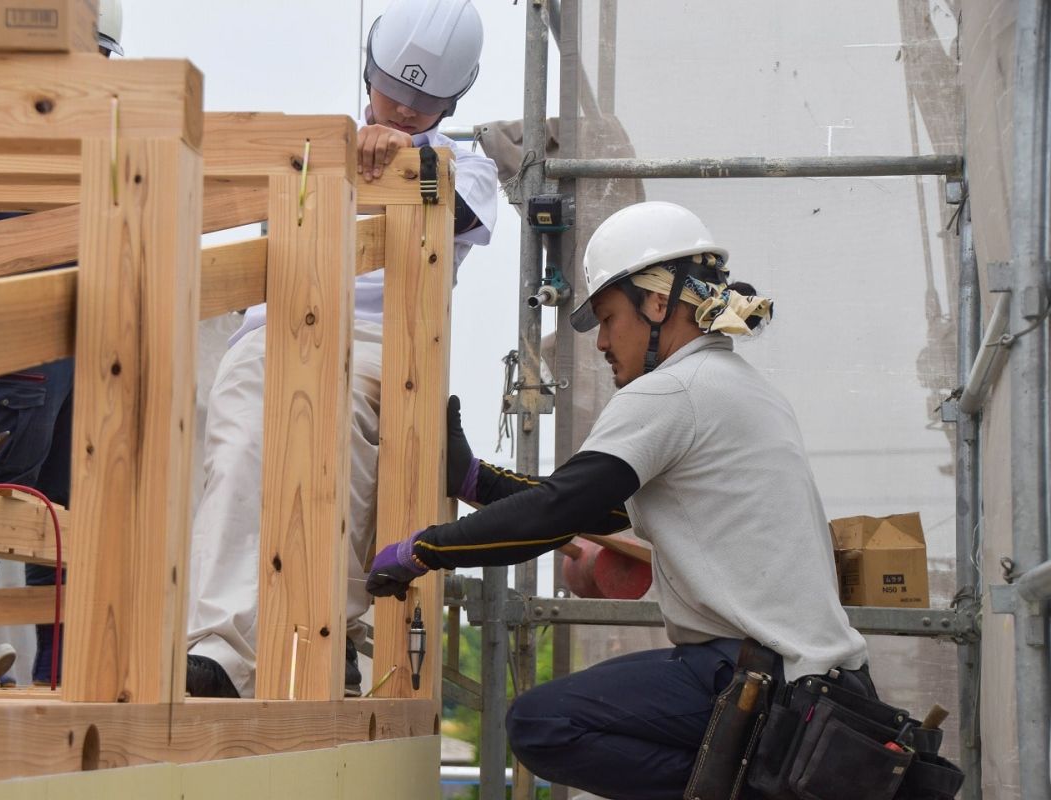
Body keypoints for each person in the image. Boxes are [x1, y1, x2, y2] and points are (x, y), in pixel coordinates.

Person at [365, 201, 872, 800]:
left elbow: (561, 512)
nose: (602, 342)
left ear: (659, 304)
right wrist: (477, 481)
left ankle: (753, 789)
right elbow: (595, 508)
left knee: (543, 725)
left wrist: (424, 550)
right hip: (817, 686)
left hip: (762, 681)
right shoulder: (738, 389)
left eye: (608, 318)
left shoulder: (672, 391)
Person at [185, 0, 498, 698]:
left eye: (426, 101)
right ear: (369, 70)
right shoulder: (310, 152)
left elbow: (457, 198)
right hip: (273, 328)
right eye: (395, 91)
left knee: (348, 463)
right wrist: (346, 153)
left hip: (383, 341)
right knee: (238, 454)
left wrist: (407, 155)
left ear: (454, 100)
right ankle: (222, 654)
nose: (407, 108)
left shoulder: (468, 168)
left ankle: (332, 643)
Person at [0, 0, 125, 689]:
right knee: (1, 482)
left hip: (78, 331)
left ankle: (59, 668)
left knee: (64, 501)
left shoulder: (85, 120)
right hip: (10, 326)